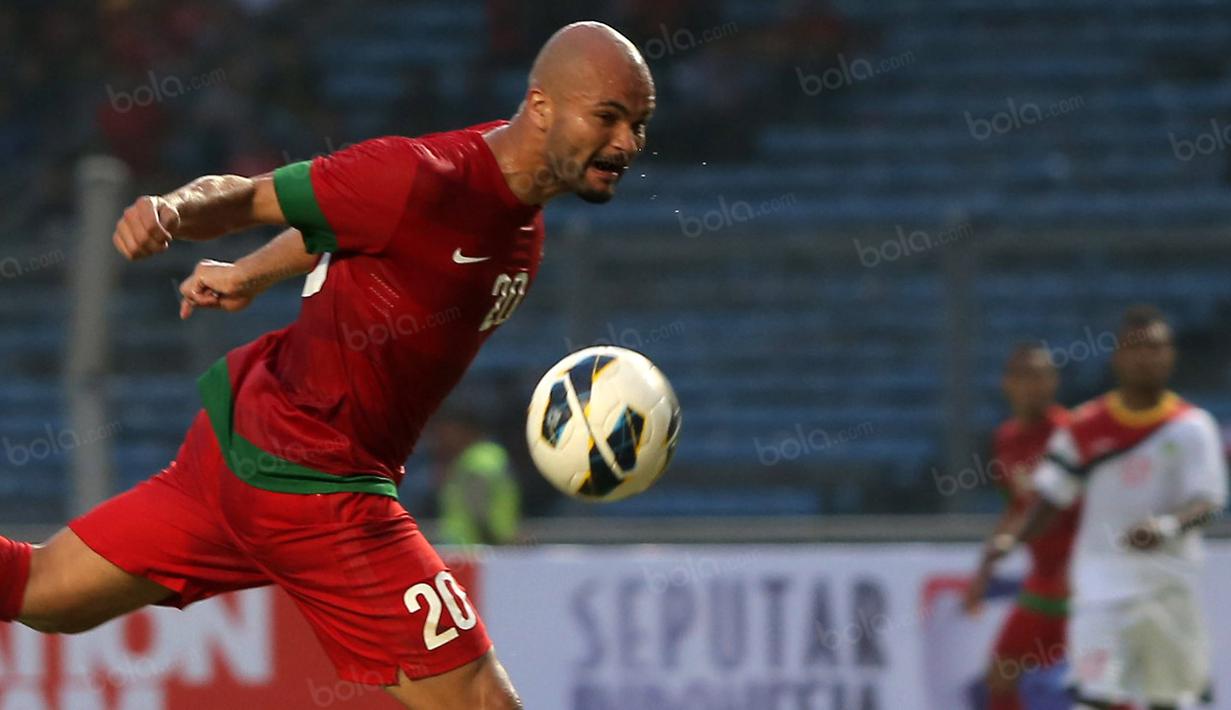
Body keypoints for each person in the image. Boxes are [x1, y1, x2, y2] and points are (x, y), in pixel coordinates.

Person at [0, 21, 655, 709]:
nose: (625, 143)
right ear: (542, 106)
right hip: (317, 482)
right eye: (607, 117)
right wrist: (171, 210)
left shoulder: (517, 212)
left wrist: (252, 272)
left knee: (45, 594)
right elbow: (251, 196)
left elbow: (343, 230)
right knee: (481, 701)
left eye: (637, 124)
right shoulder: (421, 178)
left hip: (238, 452)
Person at [976, 306, 1227, 710]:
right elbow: (1049, 498)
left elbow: (1209, 501)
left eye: (1158, 347)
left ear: (1172, 355)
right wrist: (1012, 541)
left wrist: (1165, 526)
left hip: (1170, 589)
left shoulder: (1193, 428)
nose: (1148, 356)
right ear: (1117, 356)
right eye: (1137, 347)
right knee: (1092, 697)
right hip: (1099, 590)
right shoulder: (1083, 427)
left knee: (1172, 701)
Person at [964, 343, 1076, 710]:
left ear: (1054, 382)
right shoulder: (1007, 439)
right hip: (1041, 581)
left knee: (1094, 685)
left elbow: (1057, 507)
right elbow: (1016, 506)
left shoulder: (1071, 434)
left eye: (1042, 376)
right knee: (1001, 677)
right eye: (1025, 376)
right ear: (1007, 384)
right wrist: (985, 568)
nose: (1035, 385)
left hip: (1078, 582)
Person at [432, 410, 521, 547]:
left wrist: (495, 540)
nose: (442, 437)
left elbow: (478, 506)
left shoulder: (479, 459)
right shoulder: (478, 457)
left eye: (448, 431)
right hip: (469, 547)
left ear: (466, 430)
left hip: (477, 548)